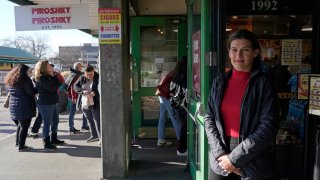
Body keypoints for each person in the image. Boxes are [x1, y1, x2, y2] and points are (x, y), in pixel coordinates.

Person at [204, 29, 279, 179]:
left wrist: (234, 159)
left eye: (245, 50)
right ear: (229, 53)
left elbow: (268, 126)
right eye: (234, 50)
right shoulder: (219, 81)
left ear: (255, 52)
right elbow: (209, 118)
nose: (238, 55)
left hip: (254, 156)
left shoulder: (264, 84)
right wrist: (220, 154)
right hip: (221, 155)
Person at [4, 64, 37, 151]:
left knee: (20, 125)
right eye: (27, 71)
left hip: (14, 105)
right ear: (23, 71)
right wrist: (37, 88)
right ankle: (21, 146)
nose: (28, 72)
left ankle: (18, 143)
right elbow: (30, 92)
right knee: (24, 126)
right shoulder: (25, 79)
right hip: (24, 105)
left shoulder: (12, 79)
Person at [34, 60, 64, 150]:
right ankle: (46, 142)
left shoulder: (49, 76)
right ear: (44, 67)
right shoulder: (41, 78)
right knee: (47, 123)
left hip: (53, 102)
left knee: (56, 121)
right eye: (48, 65)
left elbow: (60, 83)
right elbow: (52, 88)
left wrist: (53, 75)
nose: (50, 67)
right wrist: (53, 79)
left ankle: (53, 139)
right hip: (45, 104)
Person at [155, 65, 182, 147]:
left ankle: (161, 140)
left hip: (161, 94)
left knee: (162, 117)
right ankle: (181, 141)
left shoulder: (170, 73)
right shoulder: (176, 75)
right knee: (175, 118)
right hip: (165, 96)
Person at [74, 64, 101, 143]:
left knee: (97, 120)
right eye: (87, 74)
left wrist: (95, 93)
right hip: (85, 102)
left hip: (95, 102)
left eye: (91, 74)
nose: (89, 76)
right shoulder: (82, 77)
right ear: (84, 73)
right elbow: (75, 86)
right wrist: (82, 91)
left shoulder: (98, 77)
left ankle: (101, 138)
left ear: (93, 71)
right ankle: (94, 136)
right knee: (89, 120)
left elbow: (102, 88)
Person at [65, 62, 89, 134]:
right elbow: (73, 87)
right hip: (75, 97)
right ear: (78, 67)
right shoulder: (76, 75)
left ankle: (84, 125)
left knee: (84, 109)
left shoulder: (72, 74)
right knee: (74, 112)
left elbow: (67, 86)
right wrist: (74, 97)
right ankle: (71, 129)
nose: (82, 67)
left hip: (74, 96)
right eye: (81, 66)